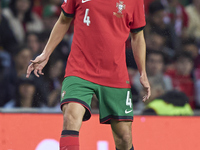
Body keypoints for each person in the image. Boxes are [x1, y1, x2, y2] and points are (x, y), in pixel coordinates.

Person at [26, 0, 151, 150]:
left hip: (115, 74)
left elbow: (137, 37)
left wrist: (143, 72)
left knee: (124, 137)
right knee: (71, 116)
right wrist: (46, 53)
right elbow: (64, 20)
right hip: (80, 68)